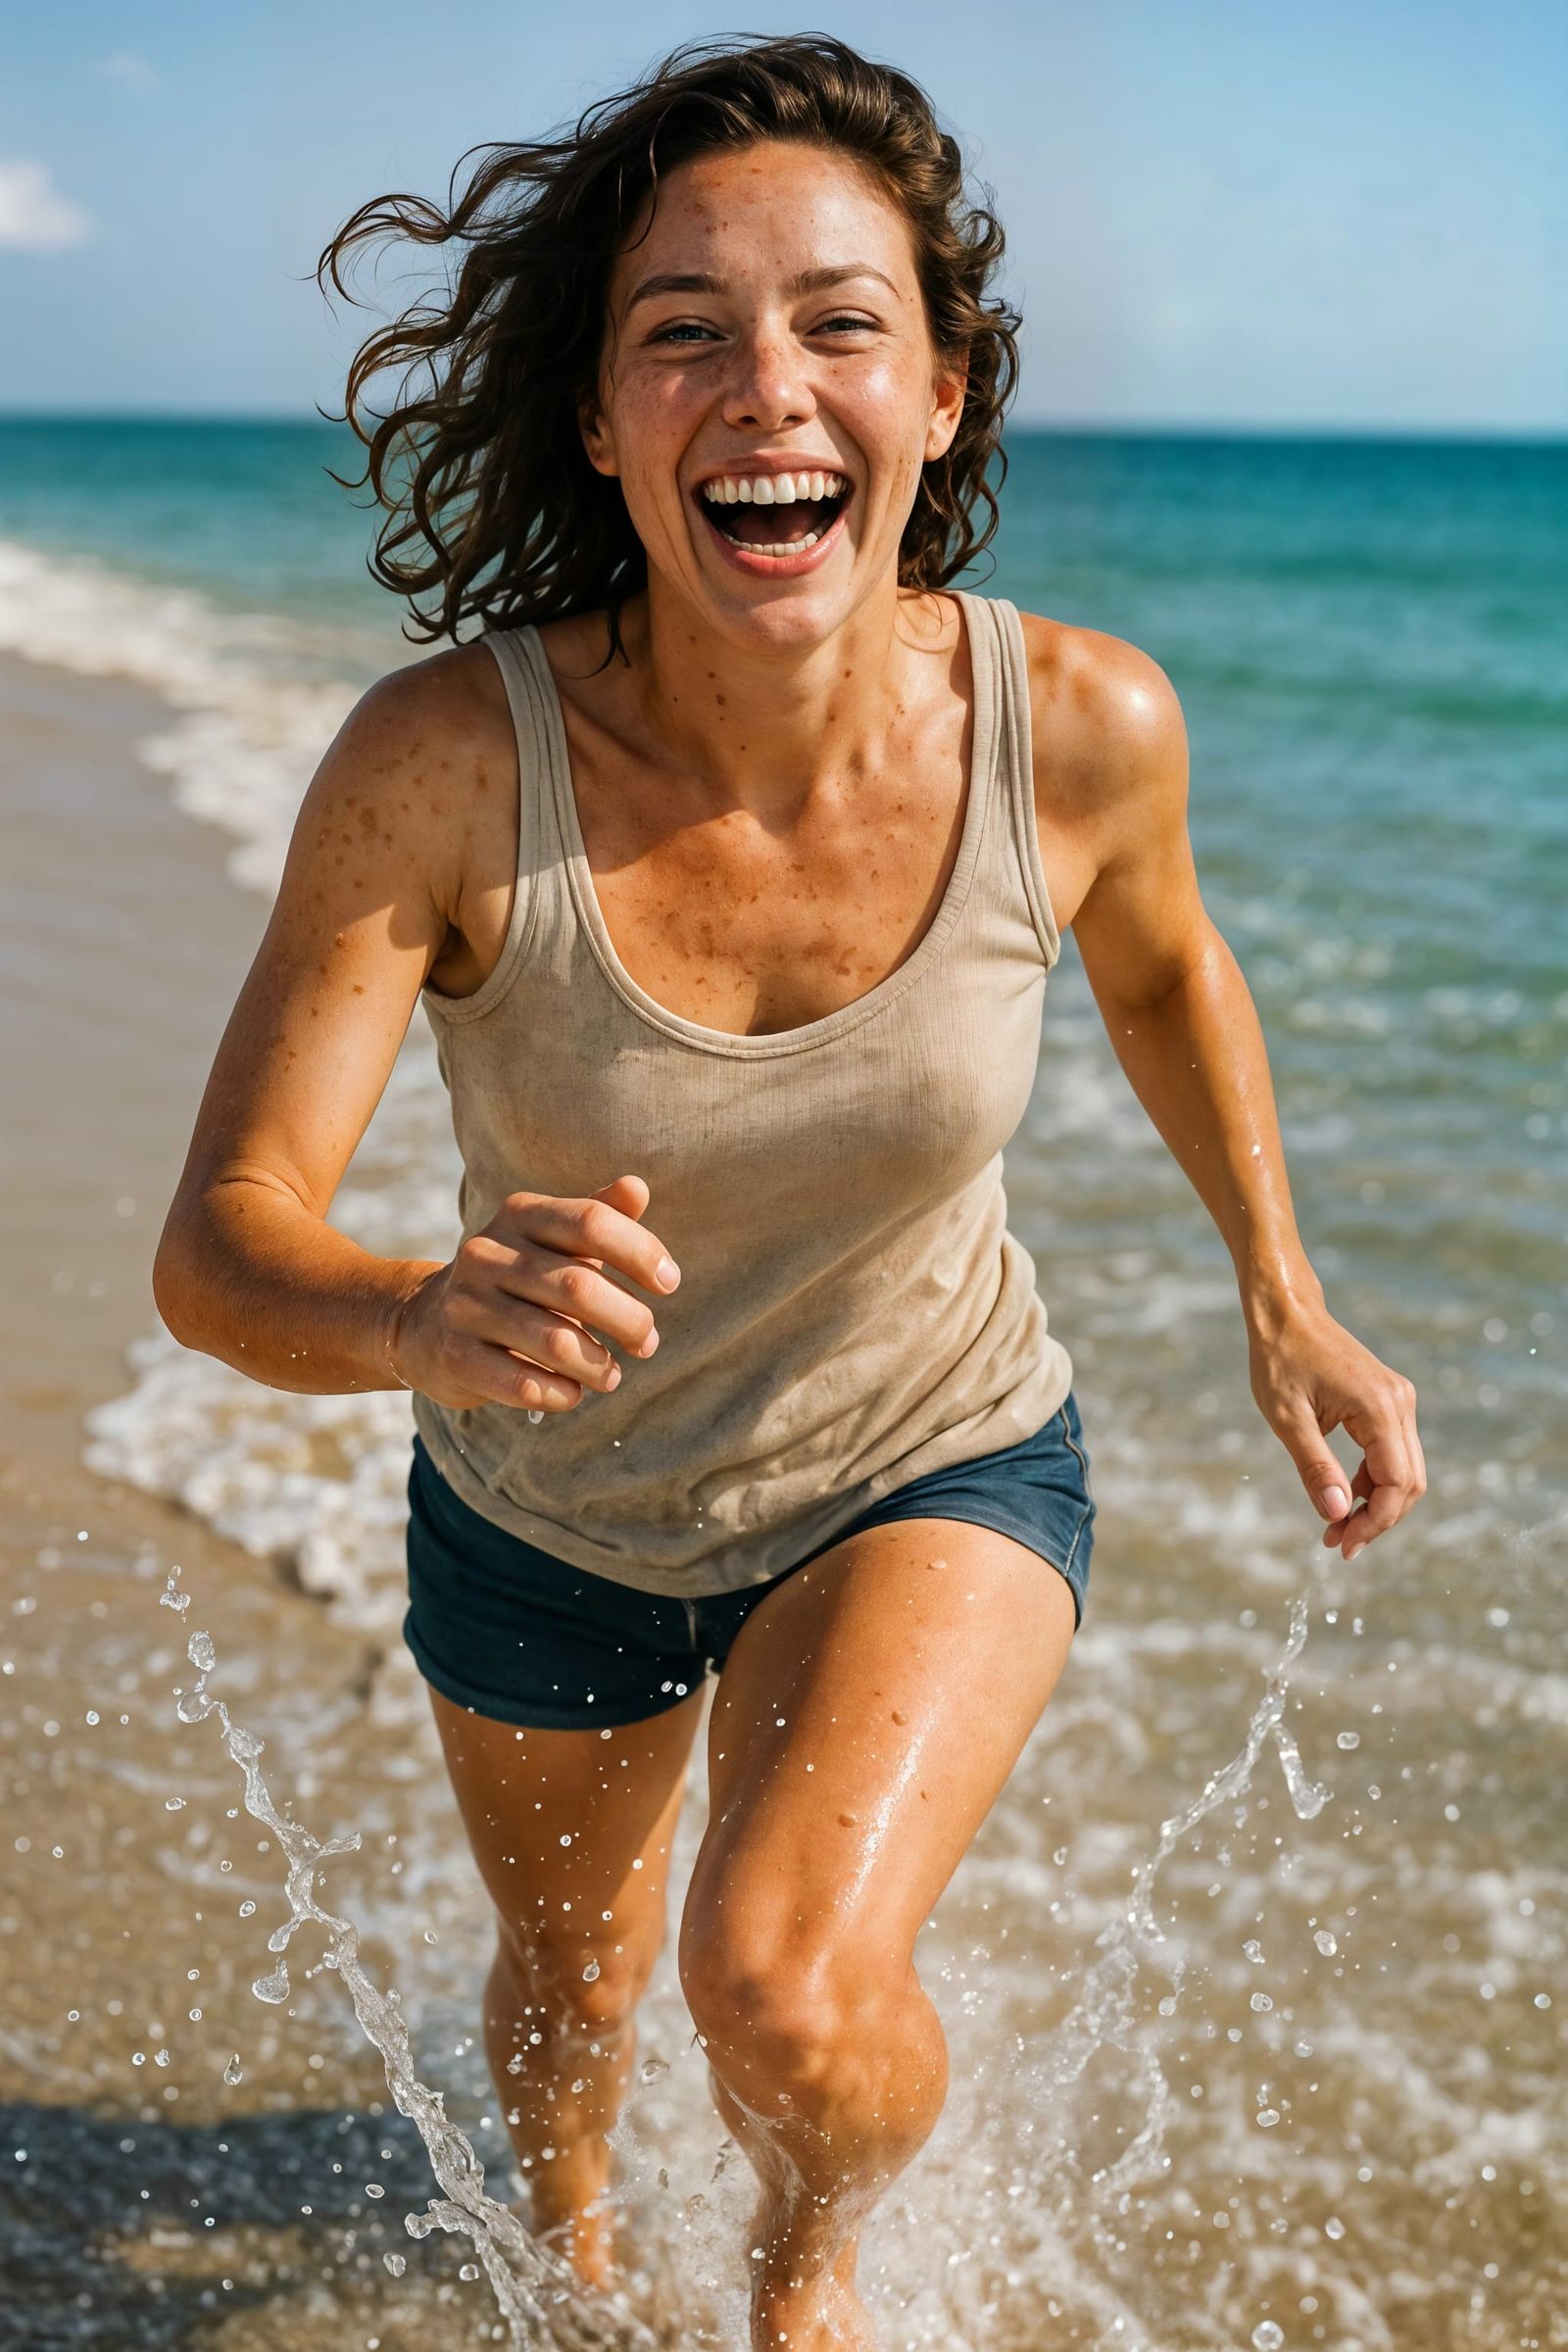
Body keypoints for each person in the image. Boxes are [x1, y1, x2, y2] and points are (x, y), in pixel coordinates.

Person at [152, 33, 1426, 2351]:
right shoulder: (442, 767)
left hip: (925, 1451)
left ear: (938, 397)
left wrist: (1283, 1290)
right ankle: (576, 2285)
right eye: (683, 335)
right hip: (545, 1508)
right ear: (598, 422)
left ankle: (805, 2276)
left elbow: (1162, 966)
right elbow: (222, 1243)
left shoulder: (1080, 730)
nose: (767, 385)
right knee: (570, 1992)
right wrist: (424, 1313)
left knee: (784, 1983)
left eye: (841, 323)